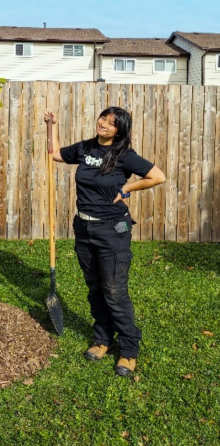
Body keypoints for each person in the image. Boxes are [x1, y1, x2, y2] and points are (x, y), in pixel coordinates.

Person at [44, 107, 166, 376]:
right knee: (95, 287)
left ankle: (129, 350)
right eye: (103, 118)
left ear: (119, 130)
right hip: (84, 227)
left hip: (113, 230)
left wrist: (127, 189)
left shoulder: (124, 156)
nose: (105, 124)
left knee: (114, 290)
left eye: (112, 123)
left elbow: (158, 176)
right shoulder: (85, 148)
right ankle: (102, 340)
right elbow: (54, 155)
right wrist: (51, 127)